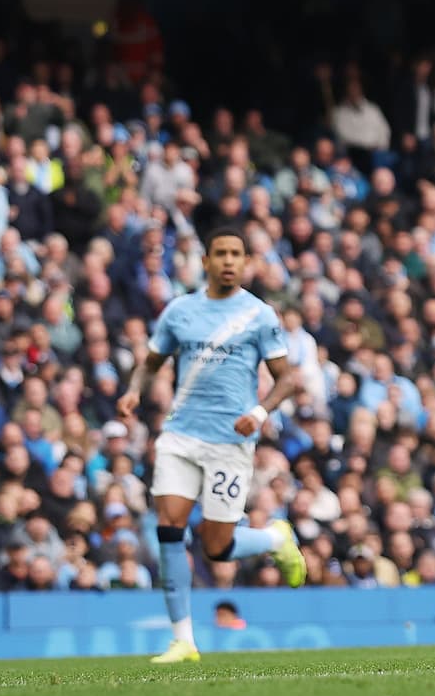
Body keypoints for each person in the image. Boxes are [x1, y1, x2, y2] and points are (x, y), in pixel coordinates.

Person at [119, 228, 305, 664]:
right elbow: (150, 363)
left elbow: (287, 379)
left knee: (216, 547)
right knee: (169, 527)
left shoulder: (259, 315)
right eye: (220, 253)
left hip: (230, 441)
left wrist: (259, 413)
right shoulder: (180, 311)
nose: (228, 261)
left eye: (236, 254)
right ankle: (183, 640)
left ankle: (275, 538)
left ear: (246, 262)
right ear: (206, 261)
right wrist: (133, 390)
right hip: (181, 435)